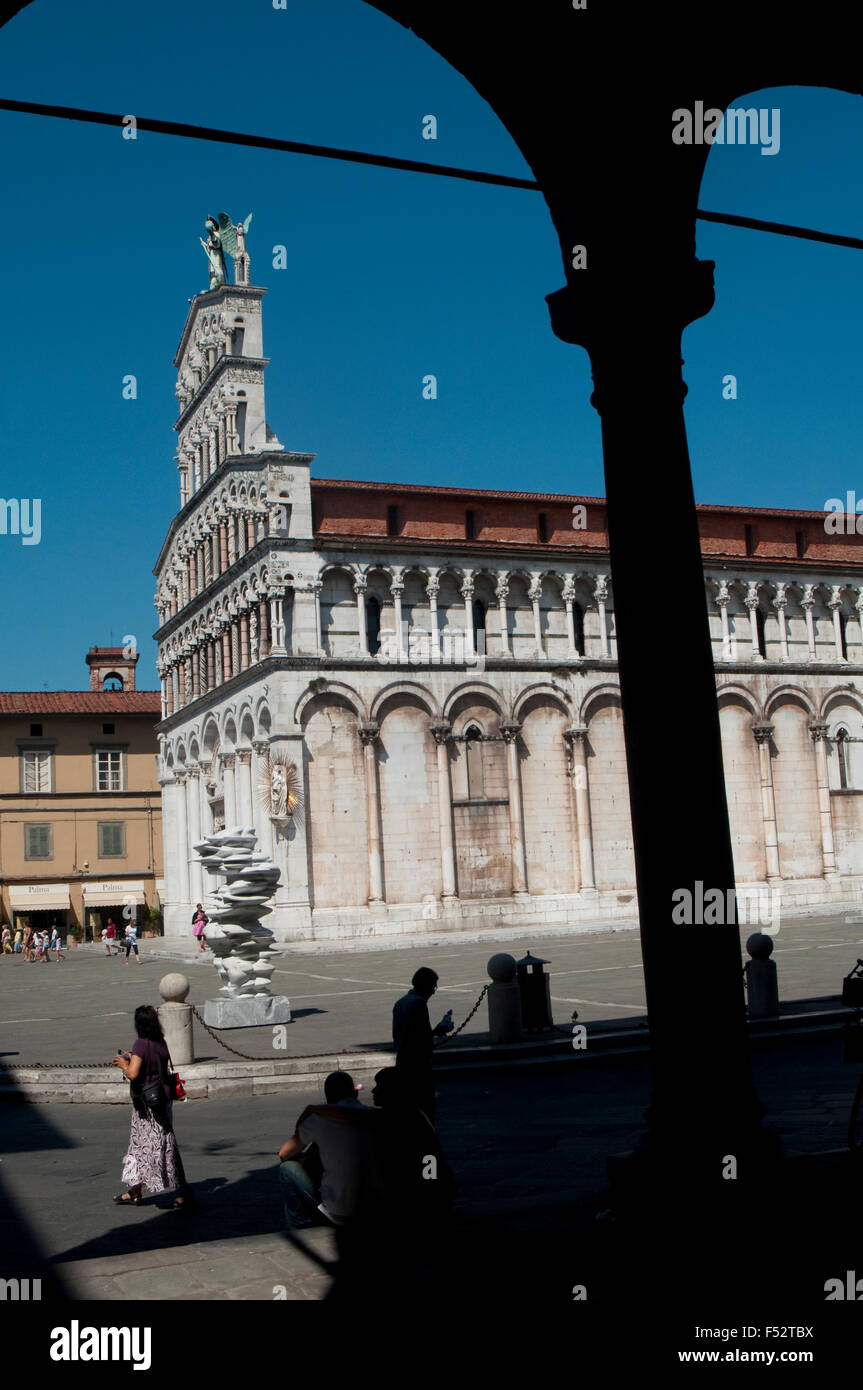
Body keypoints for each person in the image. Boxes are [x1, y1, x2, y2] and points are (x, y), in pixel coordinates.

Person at [277, 1071, 385, 1230]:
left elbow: (284, 1154)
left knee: (288, 1168)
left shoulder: (318, 1117)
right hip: (373, 1209)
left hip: (340, 1212)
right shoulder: (378, 1118)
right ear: (355, 1093)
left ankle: (301, 1226)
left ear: (328, 1097)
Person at [112, 1004, 191, 1209]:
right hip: (163, 1098)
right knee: (151, 1144)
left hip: (147, 1105)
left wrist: (123, 1063)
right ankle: (135, 1190)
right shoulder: (160, 1042)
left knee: (147, 1145)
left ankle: (182, 1190)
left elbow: (133, 1074)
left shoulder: (141, 1044)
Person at [371, 1067, 457, 1221]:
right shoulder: (405, 1116)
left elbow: (430, 1160)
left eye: (379, 1086)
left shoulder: (409, 1121)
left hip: (423, 1199)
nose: (373, 1091)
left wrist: (428, 1193)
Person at [392, 967, 454, 1123]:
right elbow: (422, 1037)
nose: (434, 991)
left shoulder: (401, 1002)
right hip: (417, 1063)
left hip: (402, 1059)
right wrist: (440, 1029)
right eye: (433, 986)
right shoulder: (418, 1004)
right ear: (426, 986)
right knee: (424, 1109)